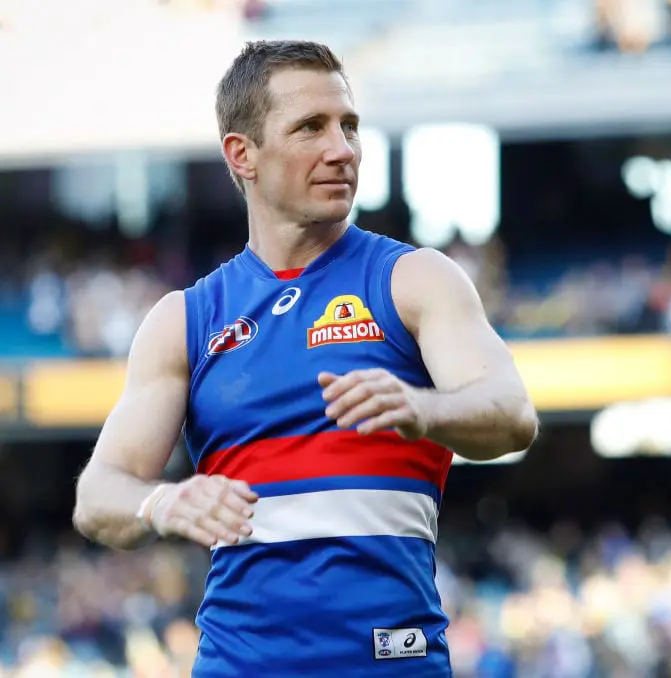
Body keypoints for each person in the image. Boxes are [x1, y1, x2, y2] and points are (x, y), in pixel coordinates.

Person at [72, 39, 538, 677]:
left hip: (391, 664)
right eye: (311, 127)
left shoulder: (415, 280)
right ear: (242, 155)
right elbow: (98, 496)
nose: (342, 149)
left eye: (349, 125)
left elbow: (512, 415)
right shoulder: (184, 319)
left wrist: (423, 408)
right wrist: (164, 504)